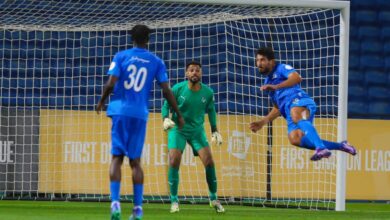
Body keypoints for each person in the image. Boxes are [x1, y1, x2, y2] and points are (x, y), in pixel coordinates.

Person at [96, 24, 184, 220]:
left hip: (119, 110)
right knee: (135, 162)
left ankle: (116, 205)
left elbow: (111, 83)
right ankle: (137, 210)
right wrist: (177, 113)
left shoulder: (121, 56)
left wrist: (101, 101)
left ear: (131, 39)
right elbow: (166, 90)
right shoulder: (156, 61)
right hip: (139, 113)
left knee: (116, 159)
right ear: (148, 39)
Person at [249, 47, 357, 161]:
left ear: (271, 61)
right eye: (257, 60)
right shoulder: (267, 83)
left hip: (300, 100)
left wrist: (276, 87)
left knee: (296, 114)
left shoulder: (281, 68)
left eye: (262, 60)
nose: (259, 63)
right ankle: (342, 146)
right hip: (288, 109)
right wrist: (263, 121)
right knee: (295, 139)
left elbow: (297, 78)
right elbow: (278, 108)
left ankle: (320, 148)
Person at [162, 61, 225, 213]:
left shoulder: (208, 93)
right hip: (178, 129)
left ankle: (213, 198)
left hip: (197, 130)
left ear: (201, 73)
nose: (194, 72)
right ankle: (174, 201)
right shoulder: (177, 88)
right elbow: (166, 105)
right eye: (191, 70)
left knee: (209, 161)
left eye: (197, 70)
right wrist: (165, 118)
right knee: (174, 160)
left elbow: (211, 111)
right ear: (186, 74)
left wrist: (214, 130)